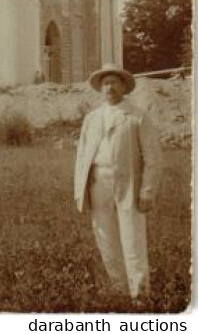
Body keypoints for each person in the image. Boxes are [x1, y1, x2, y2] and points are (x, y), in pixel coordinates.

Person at [74, 63, 162, 300]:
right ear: (100, 88)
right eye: (105, 83)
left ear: (124, 86)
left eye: (114, 82)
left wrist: (147, 191)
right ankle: (120, 291)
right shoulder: (92, 118)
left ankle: (140, 295)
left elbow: (153, 158)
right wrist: (79, 192)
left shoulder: (137, 116)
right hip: (97, 183)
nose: (109, 87)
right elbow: (82, 156)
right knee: (106, 240)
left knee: (132, 239)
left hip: (128, 184)